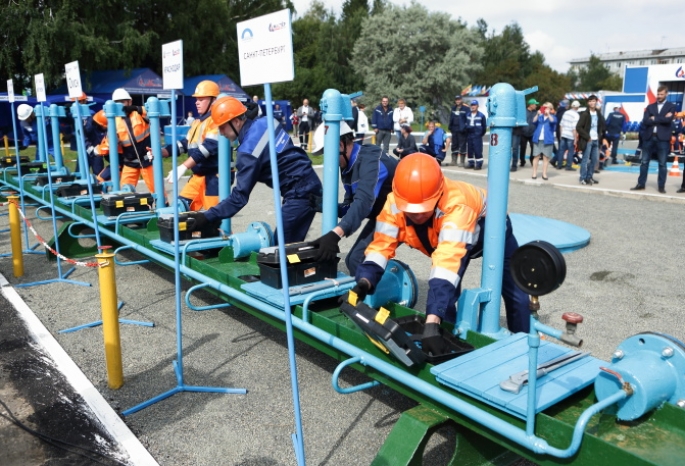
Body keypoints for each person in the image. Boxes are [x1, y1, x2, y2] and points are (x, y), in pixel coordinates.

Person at [350, 153, 529, 354]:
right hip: (443, 235)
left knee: (516, 294)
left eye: (422, 209)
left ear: (438, 194)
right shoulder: (395, 203)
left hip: (491, 228)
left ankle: (522, 347)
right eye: (411, 209)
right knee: (447, 295)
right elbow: (381, 246)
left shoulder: (457, 205)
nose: (416, 214)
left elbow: (447, 263)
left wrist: (431, 320)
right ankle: (446, 340)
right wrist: (364, 281)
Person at [187, 96, 322, 243]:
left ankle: (314, 263)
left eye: (222, 126)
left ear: (237, 122)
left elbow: (239, 198)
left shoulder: (247, 153)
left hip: (300, 194)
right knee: (292, 244)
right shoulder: (266, 121)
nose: (220, 132)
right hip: (308, 180)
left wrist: (207, 216)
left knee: (282, 253)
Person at [310, 121, 398, 274]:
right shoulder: (347, 166)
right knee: (354, 261)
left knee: (358, 261)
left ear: (340, 145)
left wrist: (335, 235)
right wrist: (321, 205)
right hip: (386, 215)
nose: (327, 160)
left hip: (406, 213)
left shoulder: (371, 161)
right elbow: (350, 208)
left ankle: (387, 286)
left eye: (327, 152)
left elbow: (363, 203)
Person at [161, 80, 221, 211]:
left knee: (216, 219)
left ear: (214, 100)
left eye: (201, 99)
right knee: (179, 210)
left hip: (214, 178)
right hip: (198, 176)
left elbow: (207, 148)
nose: (196, 102)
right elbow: (184, 144)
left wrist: (183, 166)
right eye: (196, 99)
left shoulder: (217, 120)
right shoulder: (197, 121)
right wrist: (163, 152)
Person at [97, 88, 156, 193]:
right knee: (125, 193)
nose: (121, 105)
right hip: (130, 162)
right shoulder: (113, 122)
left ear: (130, 101)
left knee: (157, 190)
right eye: (117, 102)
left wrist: (136, 108)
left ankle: (164, 205)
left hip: (147, 159)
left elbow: (152, 112)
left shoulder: (139, 114)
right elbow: (109, 144)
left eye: (123, 101)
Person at [631, 86, 677, 194]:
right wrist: (661, 118)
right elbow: (645, 121)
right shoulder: (650, 107)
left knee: (662, 163)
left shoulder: (671, 106)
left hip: (663, 138)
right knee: (644, 162)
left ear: (666, 94)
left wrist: (654, 118)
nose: (659, 96)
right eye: (658, 94)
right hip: (649, 137)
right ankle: (641, 184)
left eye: (661, 94)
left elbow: (668, 120)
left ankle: (661, 186)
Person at [576, 94, 605, 186]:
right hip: (588, 140)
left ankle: (589, 177)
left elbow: (601, 125)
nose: (592, 103)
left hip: (596, 139)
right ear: (588, 103)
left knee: (594, 159)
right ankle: (583, 178)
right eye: (590, 101)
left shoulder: (598, 113)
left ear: (596, 102)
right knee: (585, 159)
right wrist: (587, 137)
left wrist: (600, 135)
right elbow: (578, 127)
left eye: (594, 101)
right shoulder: (585, 114)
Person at [531, 102, 557, 180]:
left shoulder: (552, 117)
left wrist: (548, 114)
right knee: (536, 156)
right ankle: (534, 173)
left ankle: (544, 173)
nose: (545, 109)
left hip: (547, 139)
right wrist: (537, 114)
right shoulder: (540, 116)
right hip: (537, 139)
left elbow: (553, 122)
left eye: (547, 107)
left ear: (550, 109)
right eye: (544, 107)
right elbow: (533, 121)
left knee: (546, 157)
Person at [556, 100, 580, 171]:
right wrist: (575, 138)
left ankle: (559, 165)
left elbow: (561, 124)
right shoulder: (576, 115)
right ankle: (568, 166)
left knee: (561, 150)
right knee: (570, 151)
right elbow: (574, 127)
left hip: (564, 134)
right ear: (578, 107)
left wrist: (561, 134)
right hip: (570, 135)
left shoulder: (566, 112)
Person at [448, 95, 469, 167]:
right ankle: (454, 161)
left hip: (462, 130)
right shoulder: (453, 108)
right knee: (454, 145)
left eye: (459, 99)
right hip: (454, 129)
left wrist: (465, 128)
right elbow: (451, 118)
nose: (457, 101)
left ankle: (462, 162)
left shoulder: (466, 108)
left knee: (462, 145)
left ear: (461, 100)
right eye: (456, 100)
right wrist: (450, 127)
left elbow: (468, 119)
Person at [465, 100, 486, 170]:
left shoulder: (481, 116)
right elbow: (465, 125)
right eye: (472, 105)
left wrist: (479, 134)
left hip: (477, 135)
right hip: (469, 134)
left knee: (478, 150)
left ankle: (479, 164)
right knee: (470, 150)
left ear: (477, 106)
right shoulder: (467, 115)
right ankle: (471, 163)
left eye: (474, 105)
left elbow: (484, 127)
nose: (473, 106)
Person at [519, 99, 538, 167]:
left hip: (533, 133)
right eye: (535, 104)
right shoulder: (523, 112)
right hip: (523, 132)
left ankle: (532, 159)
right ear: (531, 105)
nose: (536, 106)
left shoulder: (536, 112)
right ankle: (522, 161)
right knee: (523, 148)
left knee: (533, 147)